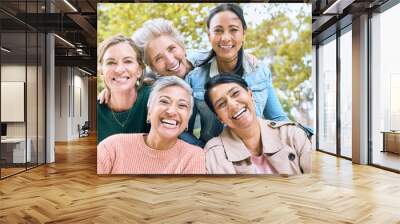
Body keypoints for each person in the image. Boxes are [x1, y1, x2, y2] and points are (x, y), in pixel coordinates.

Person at [185, 3, 291, 144]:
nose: (225, 38)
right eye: (218, 31)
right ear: (209, 35)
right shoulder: (194, 79)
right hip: (213, 160)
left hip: (254, 156)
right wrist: (206, 153)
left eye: (233, 30)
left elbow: (278, 120)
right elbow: (184, 130)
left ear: (244, 34)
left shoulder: (260, 72)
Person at [203, 74, 312, 175]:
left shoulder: (291, 134)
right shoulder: (215, 153)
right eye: (221, 104)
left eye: (235, 93)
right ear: (219, 118)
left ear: (250, 94)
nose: (232, 105)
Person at [97, 76, 206, 174]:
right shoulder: (112, 147)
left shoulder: (194, 157)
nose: (171, 111)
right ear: (149, 112)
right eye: (164, 101)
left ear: (187, 121)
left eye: (182, 105)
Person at [97, 35, 150, 143]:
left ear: (139, 70)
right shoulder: (95, 110)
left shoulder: (155, 98)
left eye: (128, 61)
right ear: (101, 71)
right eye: (111, 62)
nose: (119, 69)